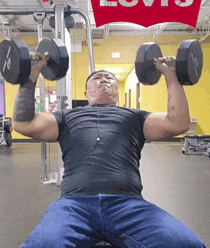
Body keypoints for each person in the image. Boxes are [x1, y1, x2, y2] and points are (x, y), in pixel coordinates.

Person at [12, 53, 206, 248]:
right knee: (42, 244)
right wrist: (32, 74)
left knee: (186, 244)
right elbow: (23, 123)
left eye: (109, 78)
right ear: (86, 93)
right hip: (74, 205)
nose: (104, 79)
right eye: (97, 78)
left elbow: (178, 124)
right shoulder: (66, 117)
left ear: (117, 91)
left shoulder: (136, 117)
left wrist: (171, 74)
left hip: (128, 204)